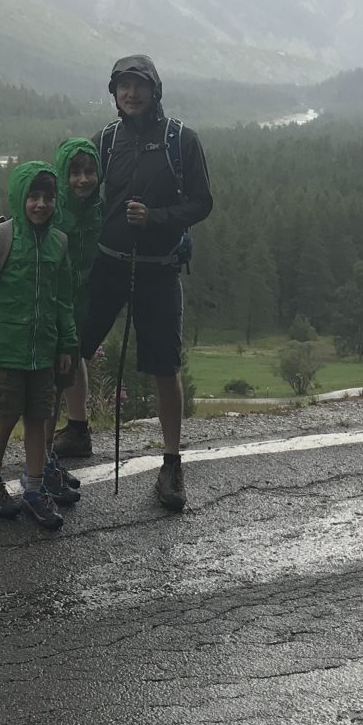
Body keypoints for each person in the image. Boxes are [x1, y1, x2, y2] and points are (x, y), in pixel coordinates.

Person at [71, 55, 212, 511]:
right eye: (122, 86)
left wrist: (155, 219)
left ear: (155, 91)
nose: (130, 94)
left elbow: (201, 203)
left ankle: (171, 464)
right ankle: (77, 431)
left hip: (158, 268)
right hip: (107, 264)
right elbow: (78, 192)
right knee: (73, 346)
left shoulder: (180, 140)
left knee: (164, 367)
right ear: (114, 92)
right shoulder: (105, 141)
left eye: (139, 86)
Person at [0, 161, 79, 528]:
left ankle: (34, 486)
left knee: (39, 418)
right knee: (6, 415)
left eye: (48, 197)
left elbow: (63, 300)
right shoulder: (1, 238)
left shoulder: (59, 242)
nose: (41, 204)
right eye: (33, 196)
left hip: (43, 349)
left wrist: (66, 345)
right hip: (5, 349)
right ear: (19, 197)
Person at [42, 138, 103, 499]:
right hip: (53, 300)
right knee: (53, 373)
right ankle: (43, 456)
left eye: (89, 171)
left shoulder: (100, 209)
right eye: (75, 172)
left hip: (85, 301)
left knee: (74, 357)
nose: (82, 179)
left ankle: (76, 431)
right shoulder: (52, 210)